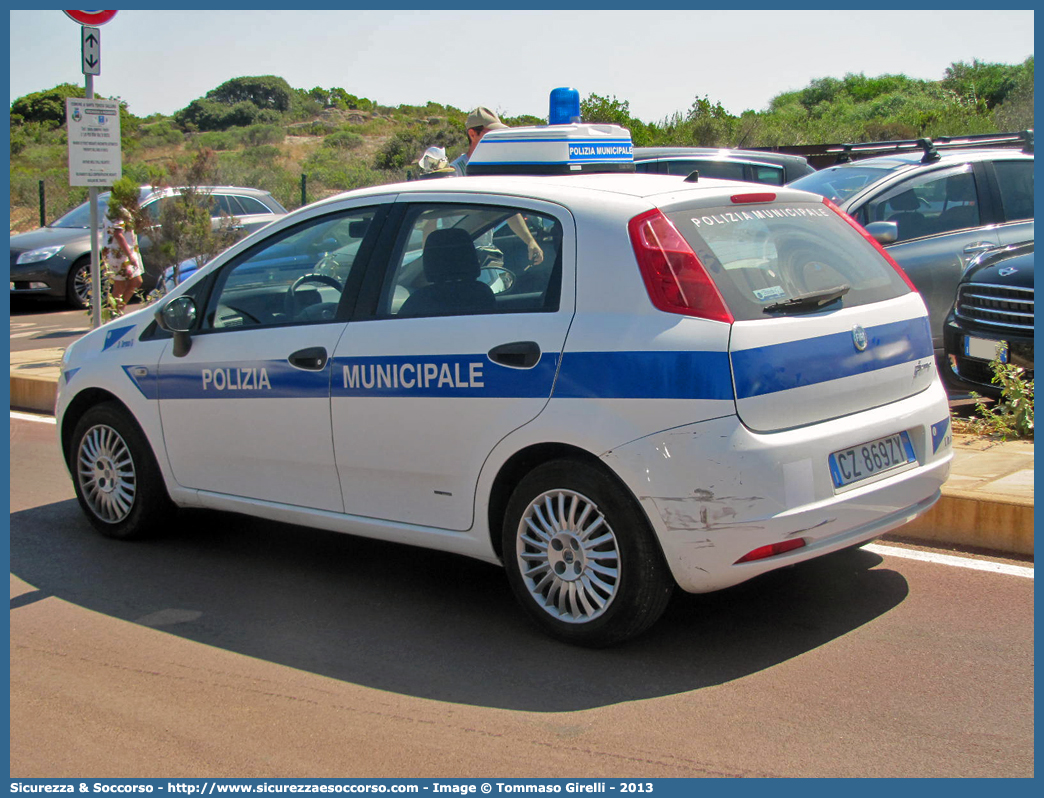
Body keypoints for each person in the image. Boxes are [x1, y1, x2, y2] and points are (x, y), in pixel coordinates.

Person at [452, 107, 544, 268]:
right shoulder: (456, 172)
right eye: (490, 134)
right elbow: (433, 223)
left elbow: (507, 211)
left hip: (485, 254)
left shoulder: (490, 171)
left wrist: (530, 241)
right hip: (458, 258)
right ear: (473, 134)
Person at [101, 201, 144, 315]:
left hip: (125, 251)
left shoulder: (122, 206)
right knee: (120, 285)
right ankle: (114, 313)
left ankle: (118, 310)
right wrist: (130, 256)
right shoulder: (115, 209)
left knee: (136, 281)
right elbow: (118, 234)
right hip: (119, 254)